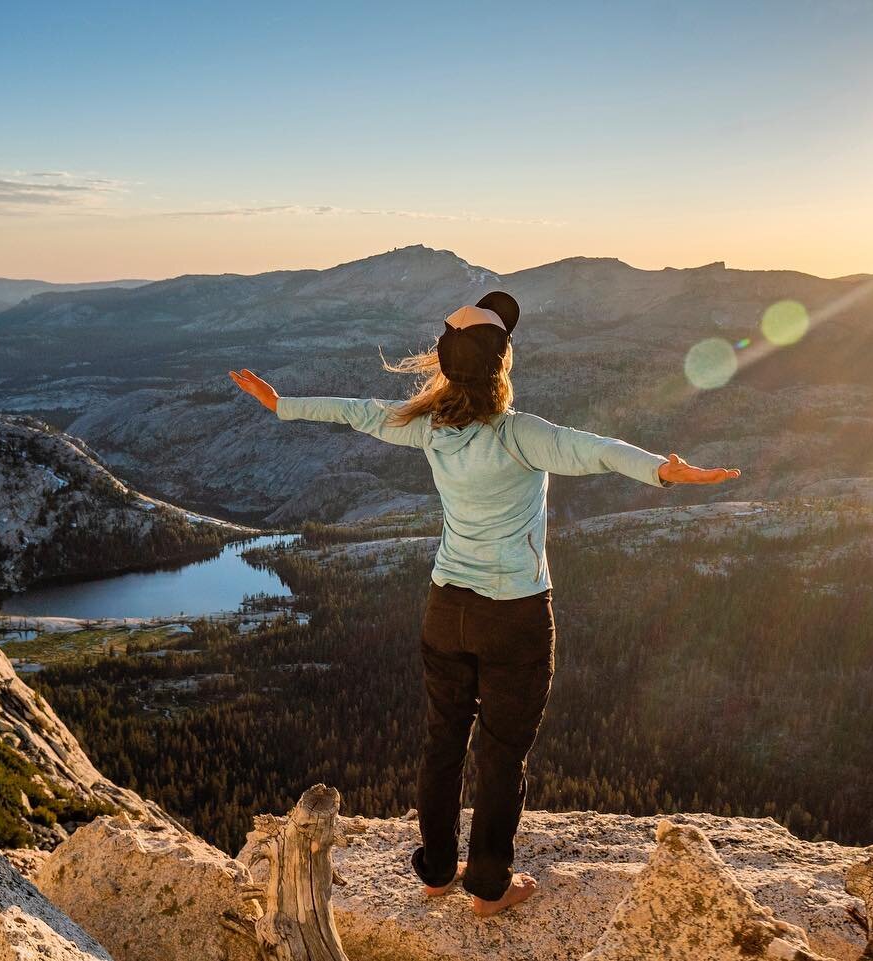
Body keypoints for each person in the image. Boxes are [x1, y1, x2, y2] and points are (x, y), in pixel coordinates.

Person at [229, 291, 737, 917]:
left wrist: (282, 404)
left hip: (447, 607)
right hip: (515, 615)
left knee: (443, 742)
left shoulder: (430, 426)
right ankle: (490, 887)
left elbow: (357, 412)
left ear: (446, 367)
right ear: (502, 364)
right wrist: (666, 471)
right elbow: (598, 449)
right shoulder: (520, 435)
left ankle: (437, 872)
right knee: (501, 753)